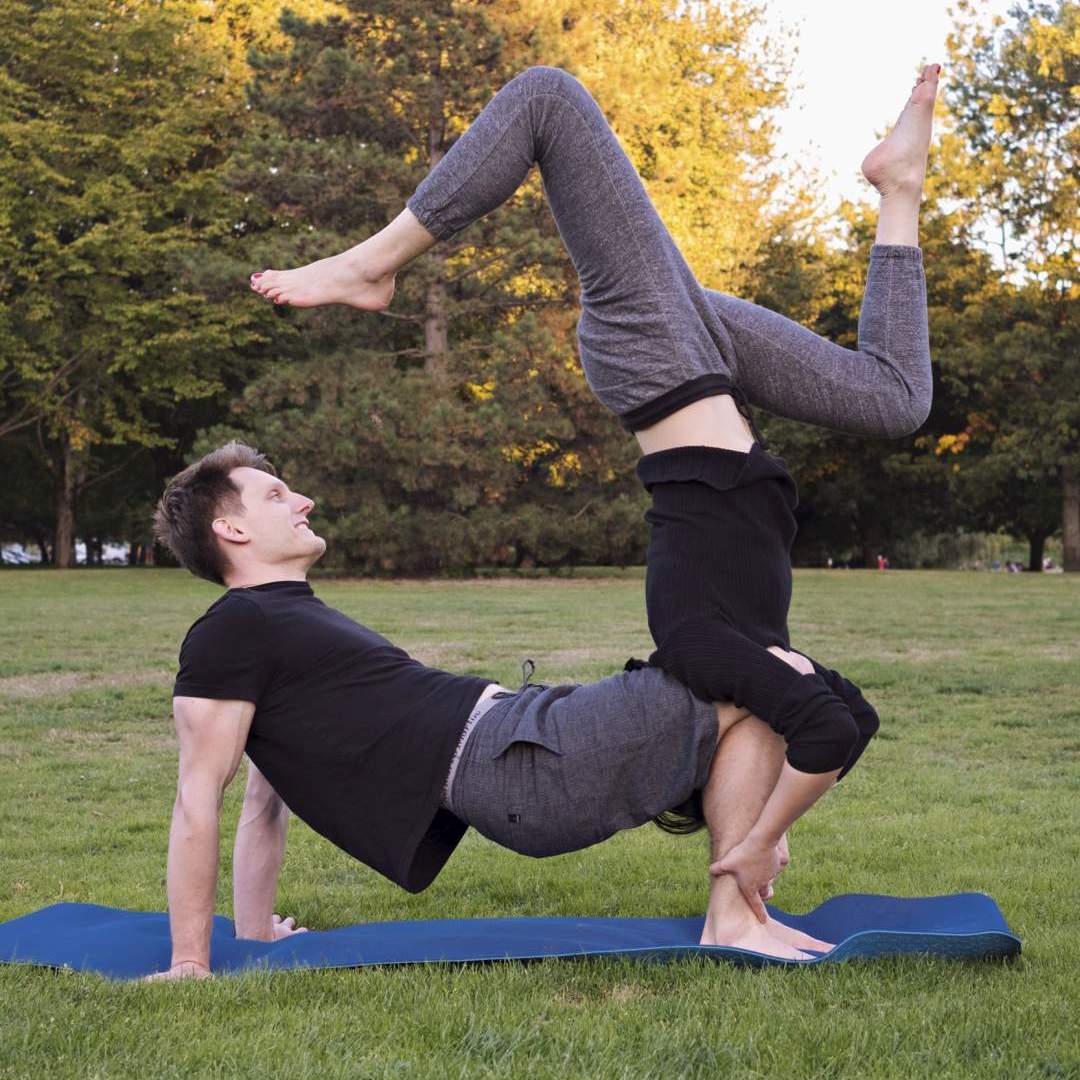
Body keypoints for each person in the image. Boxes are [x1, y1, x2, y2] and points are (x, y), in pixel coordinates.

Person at [250, 65, 937, 882]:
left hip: (658, 357)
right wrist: (759, 835)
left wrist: (759, 834)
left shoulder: (709, 637)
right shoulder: (735, 644)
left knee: (549, 99)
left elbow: (810, 726)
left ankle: (374, 264)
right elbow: (821, 726)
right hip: (686, 360)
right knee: (897, 399)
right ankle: (900, 187)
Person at [146, 443, 840, 980]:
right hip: (518, 763)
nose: (303, 500)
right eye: (276, 494)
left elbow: (269, 797)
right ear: (229, 527)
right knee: (759, 669)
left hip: (523, 735)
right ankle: (734, 912)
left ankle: (736, 911)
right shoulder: (231, 629)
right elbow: (199, 794)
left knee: (756, 678)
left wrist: (257, 932)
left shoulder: (283, 621)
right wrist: (189, 962)